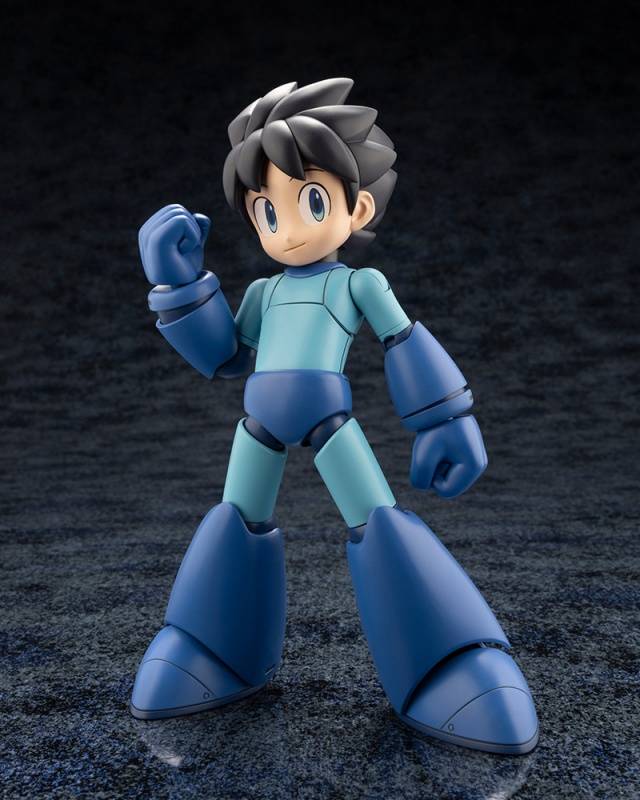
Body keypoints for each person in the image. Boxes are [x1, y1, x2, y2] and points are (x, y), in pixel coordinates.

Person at [131, 78, 538, 754]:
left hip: (330, 426)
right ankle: (211, 649)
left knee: (379, 524)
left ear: (360, 206)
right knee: (236, 520)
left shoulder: (359, 283)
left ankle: (444, 660)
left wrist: (446, 420)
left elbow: (404, 341)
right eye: (266, 211)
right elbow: (226, 356)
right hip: (259, 425)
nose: (287, 229)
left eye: (310, 200)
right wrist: (179, 286)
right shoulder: (263, 291)